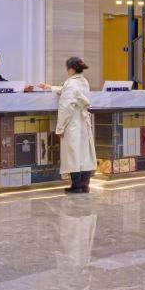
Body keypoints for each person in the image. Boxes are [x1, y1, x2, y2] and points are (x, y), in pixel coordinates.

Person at [39, 57, 96, 193]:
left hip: (72, 123)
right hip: (83, 122)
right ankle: (85, 185)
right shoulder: (83, 81)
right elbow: (68, 91)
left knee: (73, 155)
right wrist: (50, 87)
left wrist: (60, 127)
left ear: (71, 69)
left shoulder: (71, 83)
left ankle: (76, 186)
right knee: (84, 154)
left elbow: (65, 108)